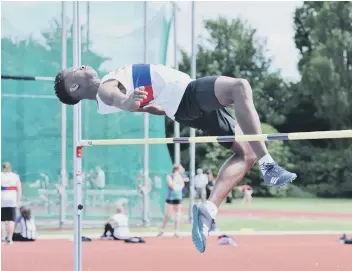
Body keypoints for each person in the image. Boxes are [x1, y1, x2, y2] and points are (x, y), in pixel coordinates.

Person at [53, 63, 297, 253]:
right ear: (74, 88)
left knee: (246, 153)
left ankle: (208, 209)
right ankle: (269, 165)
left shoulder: (104, 98)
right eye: (75, 70)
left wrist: (142, 105)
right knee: (240, 86)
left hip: (183, 108)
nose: (81, 66)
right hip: (187, 95)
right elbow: (114, 97)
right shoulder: (107, 87)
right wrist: (127, 102)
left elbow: (130, 102)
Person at [157, 165, 187, 238]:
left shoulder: (181, 177)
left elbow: (182, 185)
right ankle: (162, 230)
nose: (183, 169)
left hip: (178, 197)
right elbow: (171, 185)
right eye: (181, 168)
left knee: (177, 214)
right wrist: (177, 184)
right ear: (177, 169)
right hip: (170, 197)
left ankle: (176, 232)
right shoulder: (170, 176)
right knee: (167, 215)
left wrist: (179, 184)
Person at [1, 162, 22, 244]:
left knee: (1, 220)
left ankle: (2, 238)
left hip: (2, 198)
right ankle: (9, 238)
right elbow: (19, 189)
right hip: (12, 199)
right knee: (11, 220)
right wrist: (18, 201)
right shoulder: (15, 176)